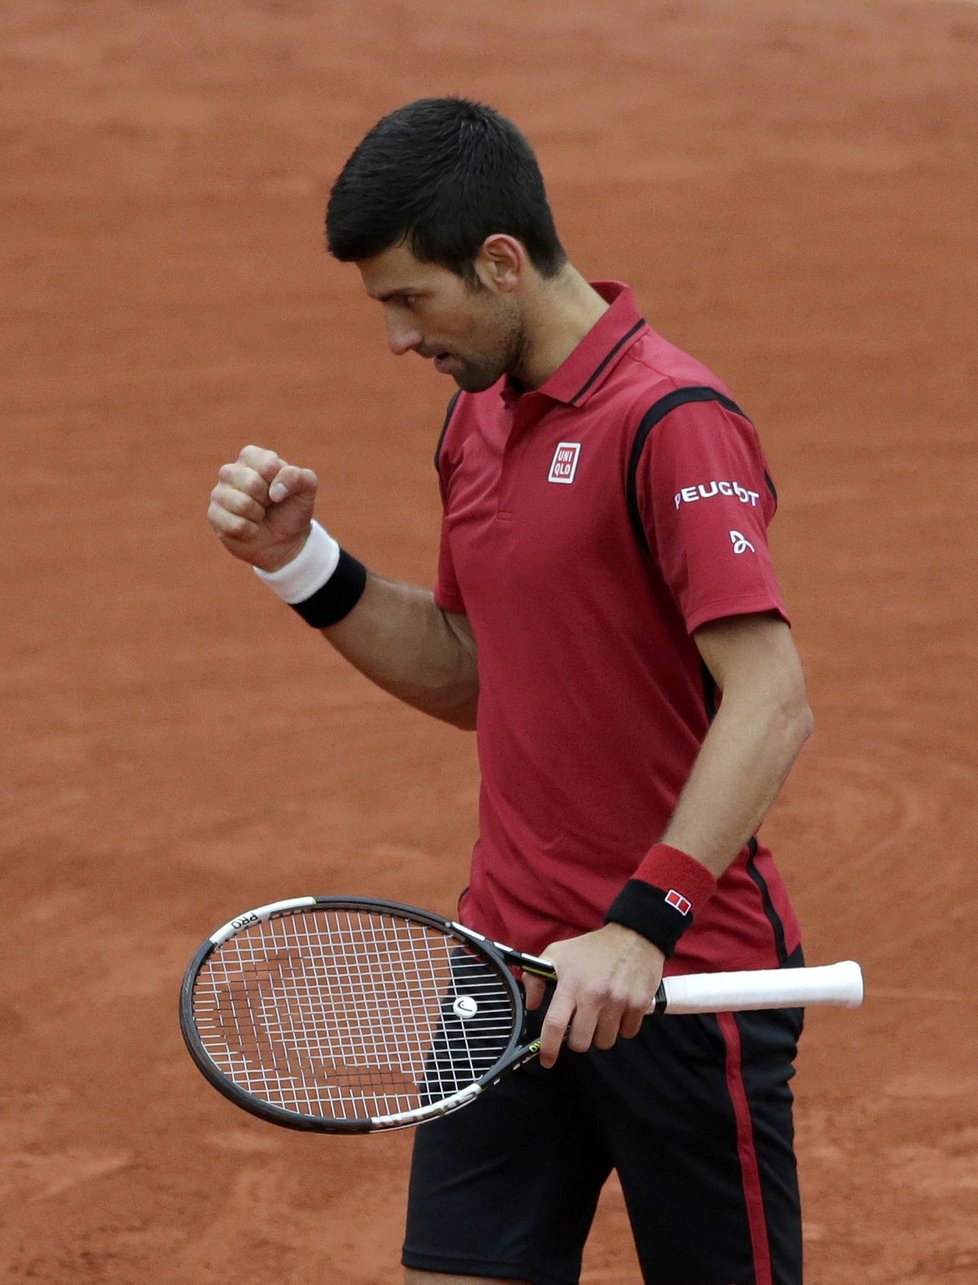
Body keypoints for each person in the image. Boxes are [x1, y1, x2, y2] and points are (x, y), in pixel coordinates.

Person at [208, 97, 814, 1285]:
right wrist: (300, 562)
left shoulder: (672, 420)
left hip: (681, 983)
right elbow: (473, 670)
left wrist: (642, 927)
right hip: (505, 968)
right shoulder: (474, 423)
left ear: (498, 261)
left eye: (407, 299)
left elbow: (773, 697)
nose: (397, 337)